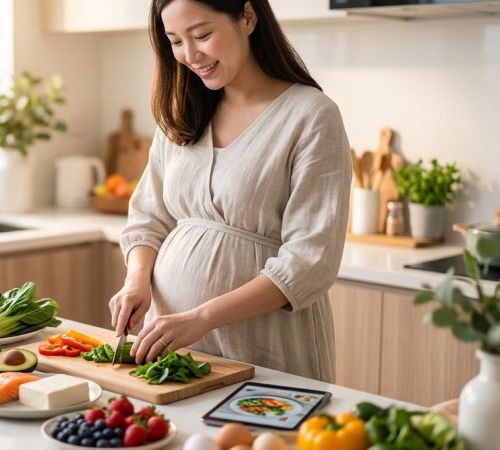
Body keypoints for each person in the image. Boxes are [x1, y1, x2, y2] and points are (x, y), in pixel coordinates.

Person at [109, 0, 351, 382]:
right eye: (175, 41)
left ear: (248, 17)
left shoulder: (311, 115)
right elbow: (148, 219)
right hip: (172, 342)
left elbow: (310, 261)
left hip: (264, 343)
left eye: (202, 35)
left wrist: (202, 317)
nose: (190, 55)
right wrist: (136, 280)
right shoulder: (180, 112)